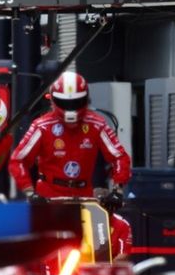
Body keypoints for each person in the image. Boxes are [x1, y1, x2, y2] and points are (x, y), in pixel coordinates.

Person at [9, 72, 131, 200]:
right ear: (53, 99)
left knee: (119, 221)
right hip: (48, 198)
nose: (70, 108)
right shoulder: (42, 126)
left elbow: (120, 157)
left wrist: (118, 190)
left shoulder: (97, 124)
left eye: (76, 102)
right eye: (64, 102)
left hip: (85, 196)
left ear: (85, 99)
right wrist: (30, 192)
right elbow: (18, 160)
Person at [95, 187, 133, 262]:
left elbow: (123, 255)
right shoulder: (85, 219)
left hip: (108, 267)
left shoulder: (122, 224)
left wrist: (106, 267)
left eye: (102, 207)